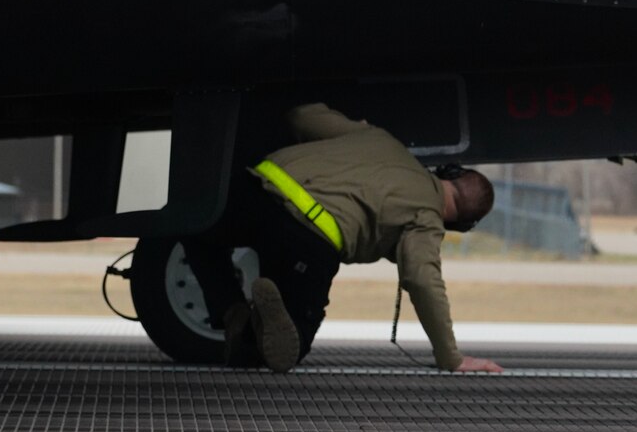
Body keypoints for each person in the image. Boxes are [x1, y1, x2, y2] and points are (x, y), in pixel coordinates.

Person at [195, 103, 502, 375]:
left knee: (196, 231)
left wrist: (358, 128)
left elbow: (301, 116)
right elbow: (423, 280)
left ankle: (231, 309)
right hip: (310, 236)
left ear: (450, 172)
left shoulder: (381, 140)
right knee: (291, 343)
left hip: (257, 189)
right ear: (461, 224)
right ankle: (251, 327)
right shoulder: (427, 216)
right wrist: (451, 358)